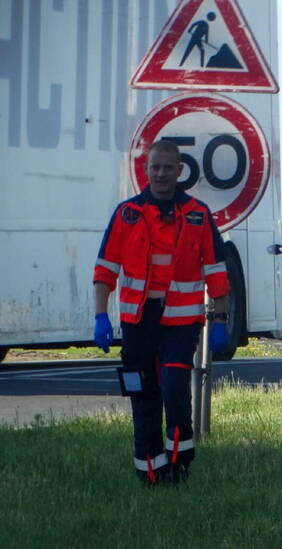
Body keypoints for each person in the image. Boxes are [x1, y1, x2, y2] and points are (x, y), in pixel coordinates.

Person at [93, 139, 230, 485]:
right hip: (138, 322)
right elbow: (105, 269)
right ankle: (151, 473)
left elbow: (216, 270)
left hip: (181, 322)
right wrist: (100, 316)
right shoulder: (127, 214)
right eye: (155, 167)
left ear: (180, 170)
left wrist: (220, 319)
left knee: (173, 388)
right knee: (143, 395)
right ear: (146, 169)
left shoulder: (198, 214)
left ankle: (180, 463)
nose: (161, 173)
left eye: (168, 167)